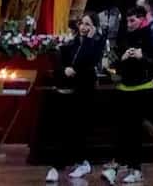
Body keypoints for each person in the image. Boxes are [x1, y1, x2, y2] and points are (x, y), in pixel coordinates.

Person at [102, 3, 153, 186]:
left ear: (141, 20)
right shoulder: (125, 37)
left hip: (142, 88)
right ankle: (118, 166)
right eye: (127, 21)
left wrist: (142, 57)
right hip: (125, 87)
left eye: (132, 21)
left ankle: (135, 169)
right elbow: (114, 65)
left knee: (135, 132)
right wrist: (122, 60)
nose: (129, 24)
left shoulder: (150, 35)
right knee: (123, 130)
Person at [42, 13, 104, 182]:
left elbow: (87, 61)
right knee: (64, 129)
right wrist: (64, 70)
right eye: (82, 23)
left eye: (88, 24)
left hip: (84, 92)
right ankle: (57, 166)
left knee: (80, 129)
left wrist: (90, 39)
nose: (83, 27)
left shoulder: (98, 43)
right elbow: (59, 61)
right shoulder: (71, 43)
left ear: (94, 27)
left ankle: (82, 163)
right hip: (69, 91)